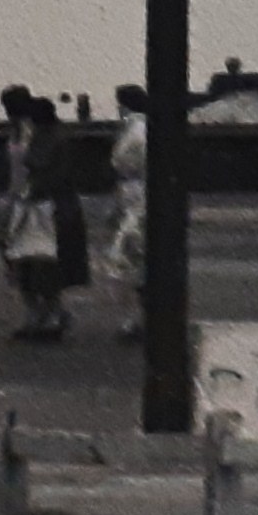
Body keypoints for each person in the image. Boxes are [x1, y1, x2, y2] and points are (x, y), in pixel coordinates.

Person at [0, 88, 72, 344]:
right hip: (17, 197)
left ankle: (49, 310)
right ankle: (36, 311)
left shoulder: (35, 131)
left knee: (41, 259)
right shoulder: (18, 130)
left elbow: (38, 162)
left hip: (36, 200)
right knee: (18, 260)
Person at [105, 82, 151, 342]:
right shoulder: (140, 128)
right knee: (139, 262)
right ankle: (140, 318)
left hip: (136, 198)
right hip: (134, 198)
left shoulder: (136, 130)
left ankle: (131, 319)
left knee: (121, 261)